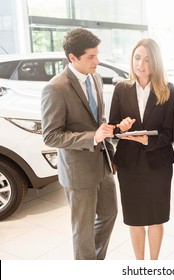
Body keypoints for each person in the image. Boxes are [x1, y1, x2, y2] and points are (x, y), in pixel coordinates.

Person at [41, 28, 117, 260]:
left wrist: (108, 146)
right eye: (91, 57)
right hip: (78, 171)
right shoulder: (55, 88)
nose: (97, 61)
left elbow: (97, 119)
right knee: (82, 231)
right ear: (72, 58)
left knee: (109, 213)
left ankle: (93, 260)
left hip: (102, 164)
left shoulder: (94, 78)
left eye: (97, 54)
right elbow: (51, 136)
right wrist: (92, 137)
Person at [109, 38, 174, 260]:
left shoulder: (167, 90)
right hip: (129, 165)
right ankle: (140, 265)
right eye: (137, 58)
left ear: (155, 62)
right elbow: (113, 128)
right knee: (135, 219)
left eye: (147, 59)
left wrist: (146, 141)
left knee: (156, 218)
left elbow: (170, 133)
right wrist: (122, 127)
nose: (141, 64)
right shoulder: (121, 88)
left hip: (158, 164)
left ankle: (153, 265)